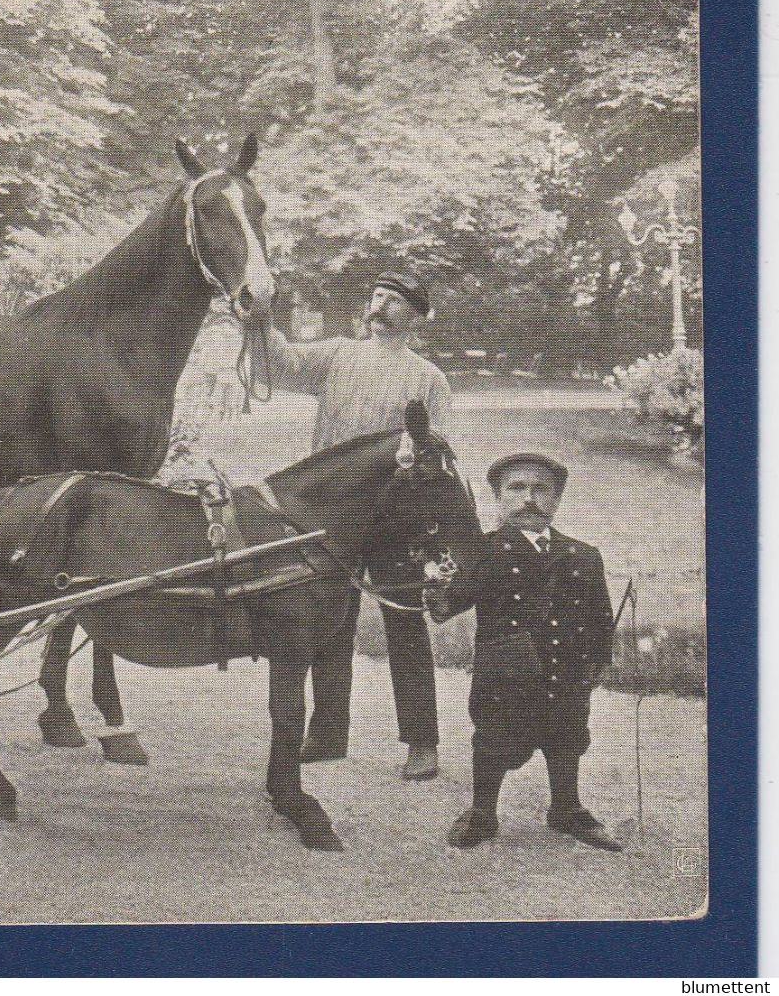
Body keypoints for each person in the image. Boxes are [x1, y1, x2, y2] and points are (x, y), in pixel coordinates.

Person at [264, 270, 452, 780]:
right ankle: (327, 733)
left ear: (414, 316)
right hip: (330, 512)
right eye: (376, 296)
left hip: (394, 516)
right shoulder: (337, 355)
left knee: (404, 620)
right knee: (328, 619)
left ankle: (421, 742)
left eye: (392, 300)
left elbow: (438, 450)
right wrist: (261, 318)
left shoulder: (427, 378)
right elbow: (282, 364)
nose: (379, 305)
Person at [426, 453, 620, 851]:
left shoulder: (582, 554)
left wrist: (600, 659)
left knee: (567, 735)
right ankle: (483, 812)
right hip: (506, 672)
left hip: (567, 670)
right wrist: (434, 581)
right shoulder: (483, 552)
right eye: (516, 488)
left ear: (557, 499)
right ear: (498, 497)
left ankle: (566, 808)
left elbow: (601, 615)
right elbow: (447, 606)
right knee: (494, 737)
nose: (529, 498)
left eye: (540, 489)